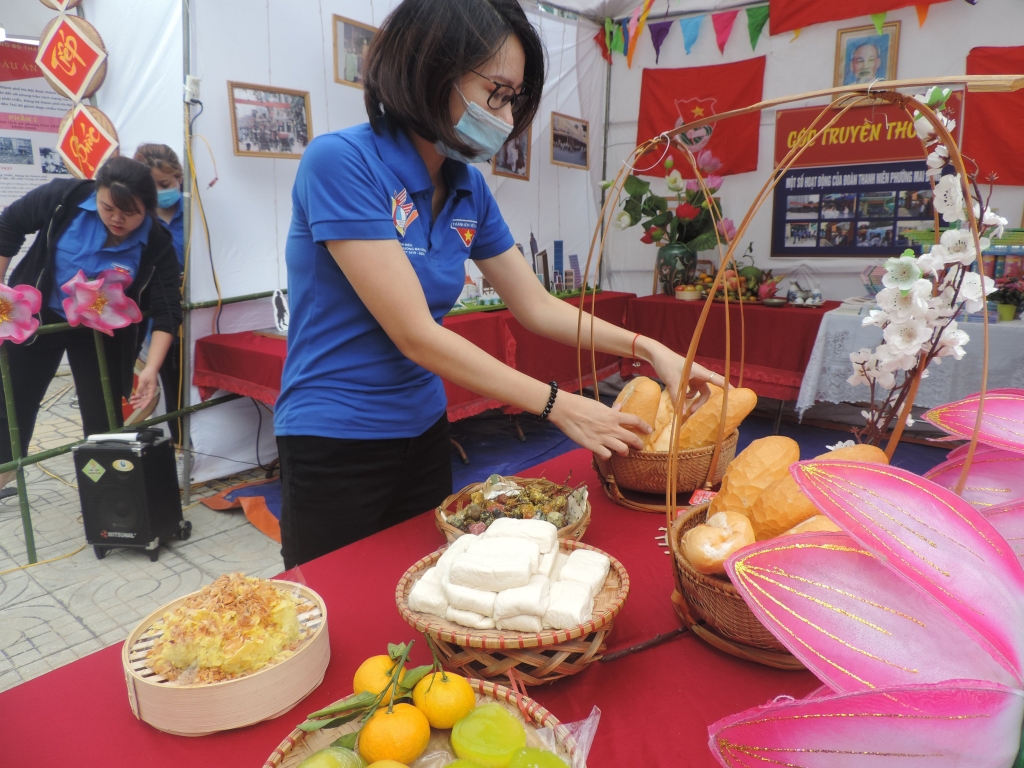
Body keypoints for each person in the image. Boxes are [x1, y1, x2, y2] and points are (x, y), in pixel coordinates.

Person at [274, 0, 724, 569]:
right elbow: (414, 333)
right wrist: (559, 405)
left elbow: (535, 305)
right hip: (335, 436)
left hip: (422, 427)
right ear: (429, 67)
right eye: (496, 92)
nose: (505, 115)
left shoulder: (467, 188)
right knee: (339, 596)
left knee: (426, 584)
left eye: (513, 99)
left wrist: (651, 349)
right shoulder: (341, 163)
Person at [0, 156, 182, 495]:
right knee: (13, 402)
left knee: (104, 417)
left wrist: (150, 370)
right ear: (96, 192)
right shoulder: (63, 199)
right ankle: (3, 475)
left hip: (103, 333)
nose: (117, 219)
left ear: (148, 208)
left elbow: (168, 307)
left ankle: (109, 500)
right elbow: (8, 224)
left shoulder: (156, 240)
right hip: (39, 320)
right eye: (108, 207)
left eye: (130, 213)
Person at [134, 143, 185, 443]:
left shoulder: (192, 214)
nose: (158, 191)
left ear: (179, 177)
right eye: (150, 186)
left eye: (165, 184)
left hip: (183, 313)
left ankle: (184, 447)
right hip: (148, 316)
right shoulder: (135, 217)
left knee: (179, 386)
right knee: (153, 387)